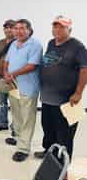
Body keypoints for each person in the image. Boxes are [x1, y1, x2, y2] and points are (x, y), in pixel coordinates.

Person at [35, 16, 87, 162]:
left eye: (61, 27)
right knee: (48, 129)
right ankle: (49, 152)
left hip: (66, 100)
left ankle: (63, 163)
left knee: (64, 134)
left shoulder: (77, 47)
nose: (57, 29)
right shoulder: (51, 43)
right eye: (55, 26)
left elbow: (85, 69)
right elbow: (48, 63)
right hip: (47, 98)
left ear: (69, 29)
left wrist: (78, 93)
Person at [3, 19, 43, 162]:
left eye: (22, 28)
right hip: (13, 86)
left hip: (28, 87)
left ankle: (23, 149)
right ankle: (20, 139)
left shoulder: (35, 45)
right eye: (16, 28)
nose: (18, 31)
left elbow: (32, 66)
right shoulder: (14, 43)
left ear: (29, 30)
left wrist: (13, 74)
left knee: (27, 118)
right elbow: (7, 61)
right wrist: (6, 72)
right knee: (17, 115)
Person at [0, 19, 15, 132]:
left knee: (15, 104)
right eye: (6, 27)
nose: (8, 29)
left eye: (11, 27)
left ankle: (16, 127)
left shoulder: (18, 43)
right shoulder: (0, 43)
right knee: (0, 102)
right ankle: (2, 123)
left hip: (14, 79)